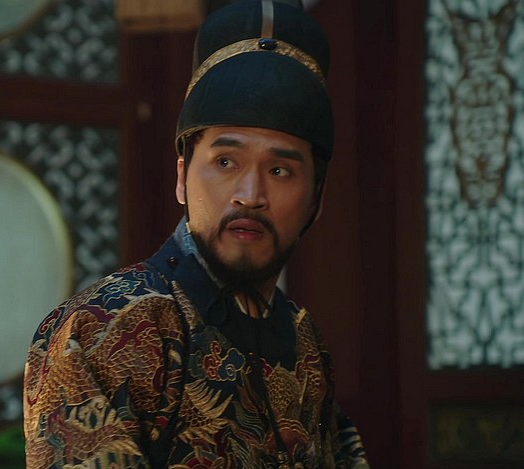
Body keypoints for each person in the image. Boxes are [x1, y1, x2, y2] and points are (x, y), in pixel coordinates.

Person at [23, 1, 370, 467]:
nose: (250, 195)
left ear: (317, 197)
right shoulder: (103, 329)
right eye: (225, 162)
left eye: (280, 170)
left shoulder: (304, 341)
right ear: (182, 177)